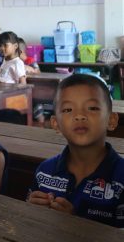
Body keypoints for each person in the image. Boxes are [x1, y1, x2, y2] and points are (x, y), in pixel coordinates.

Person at [27, 74, 123, 228]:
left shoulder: (120, 178)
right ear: (56, 124)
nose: (79, 116)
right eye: (68, 109)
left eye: (92, 108)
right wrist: (32, 211)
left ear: (111, 120)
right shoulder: (45, 172)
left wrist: (75, 224)